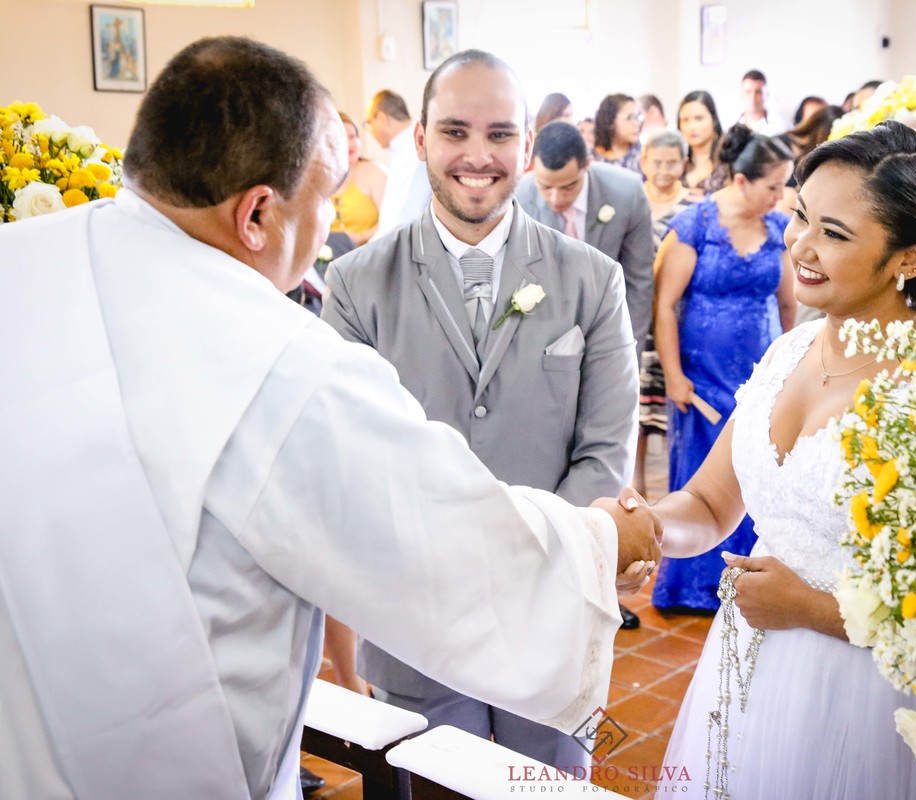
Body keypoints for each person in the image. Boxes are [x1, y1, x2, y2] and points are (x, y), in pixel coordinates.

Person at [0, 37, 662, 799]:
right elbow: (425, 527)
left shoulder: (25, 262)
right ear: (255, 214)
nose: (329, 230)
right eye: (328, 198)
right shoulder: (276, 364)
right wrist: (608, 538)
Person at [641, 120, 916, 798]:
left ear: (909, 258)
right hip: (750, 676)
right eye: (800, 216)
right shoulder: (787, 353)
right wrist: (642, 526)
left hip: (876, 702)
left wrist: (809, 608)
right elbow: (712, 504)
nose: (800, 245)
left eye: (834, 233)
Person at [323, 51, 645, 774]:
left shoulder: (592, 281)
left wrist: (533, 560)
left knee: (551, 788)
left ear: (527, 147)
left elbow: (604, 447)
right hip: (416, 612)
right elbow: (355, 452)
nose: (477, 155)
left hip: (554, 608)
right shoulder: (355, 284)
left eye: (500, 134)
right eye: (455, 131)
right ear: (421, 141)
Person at [652, 125, 798, 612]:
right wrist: (673, 373)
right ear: (741, 181)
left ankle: (751, 579)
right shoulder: (697, 225)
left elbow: (788, 304)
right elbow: (666, 304)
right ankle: (691, 588)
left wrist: (788, 357)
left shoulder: (779, 230)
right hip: (702, 376)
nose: (781, 196)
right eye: (773, 186)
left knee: (758, 472)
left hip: (759, 371)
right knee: (700, 476)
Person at [516, 121, 656, 356]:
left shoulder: (627, 193)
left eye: (569, 187)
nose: (555, 198)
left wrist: (627, 353)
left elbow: (638, 283)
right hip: (542, 331)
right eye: (545, 186)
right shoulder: (519, 196)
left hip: (607, 324)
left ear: (587, 166)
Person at [635, 129, 694, 496]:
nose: (663, 170)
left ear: (684, 164)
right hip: (637, 316)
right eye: (656, 162)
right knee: (637, 407)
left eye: (671, 162)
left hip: (676, 319)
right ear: (643, 161)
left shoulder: (694, 207)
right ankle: (635, 480)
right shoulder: (631, 201)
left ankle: (679, 486)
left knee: (673, 404)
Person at [368, 89, 422, 239]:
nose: (370, 131)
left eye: (369, 123)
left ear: (381, 118)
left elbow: (403, 220)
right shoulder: (403, 151)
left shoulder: (414, 152)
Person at [331, 111, 387, 246]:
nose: (351, 144)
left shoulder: (374, 172)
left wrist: (360, 237)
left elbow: (393, 223)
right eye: (343, 138)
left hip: (367, 253)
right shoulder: (322, 177)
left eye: (353, 136)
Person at [677, 90, 726, 198]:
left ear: (713, 120)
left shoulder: (728, 164)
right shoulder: (677, 162)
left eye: (699, 119)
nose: (691, 127)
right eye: (685, 120)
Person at [592, 93, 644, 176]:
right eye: (630, 117)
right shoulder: (592, 158)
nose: (637, 123)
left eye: (637, 117)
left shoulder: (644, 156)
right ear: (610, 120)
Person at [736, 69, 784, 135]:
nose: (753, 97)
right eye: (748, 92)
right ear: (741, 94)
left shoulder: (781, 127)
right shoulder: (728, 127)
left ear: (767, 94)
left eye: (758, 92)